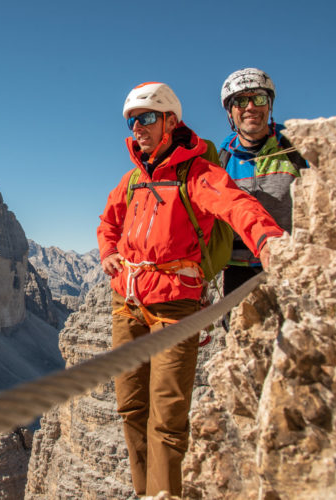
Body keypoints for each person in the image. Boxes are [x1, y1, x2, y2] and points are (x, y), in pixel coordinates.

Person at [97, 81, 285, 497]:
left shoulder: (198, 173)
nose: (137, 128)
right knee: (130, 409)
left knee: (166, 417)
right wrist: (108, 251)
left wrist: (268, 239)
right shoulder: (132, 180)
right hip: (126, 304)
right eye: (131, 121)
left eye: (146, 118)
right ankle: (145, 490)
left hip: (174, 310)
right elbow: (107, 221)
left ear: (170, 121)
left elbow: (237, 205)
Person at [219, 68, 308, 296]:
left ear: (269, 105)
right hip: (236, 270)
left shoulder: (296, 148)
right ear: (231, 111)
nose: (250, 107)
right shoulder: (222, 159)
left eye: (258, 99)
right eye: (240, 101)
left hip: (289, 263)